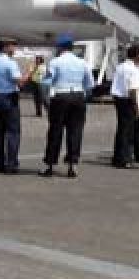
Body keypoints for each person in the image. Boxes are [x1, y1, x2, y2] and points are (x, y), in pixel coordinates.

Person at [38, 36, 93, 178]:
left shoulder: (55, 62)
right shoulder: (82, 62)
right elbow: (89, 85)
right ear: (71, 47)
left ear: (60, 48)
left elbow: (46, 84)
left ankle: (49, 165)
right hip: (78, 96)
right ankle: (72, 166)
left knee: (55, 132)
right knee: (75, 132)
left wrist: (46, 102)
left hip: (60, 97)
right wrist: (83, 99)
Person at [0, 37, 32, 173]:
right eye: (12, 46)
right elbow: (20, 83)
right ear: (5, 47)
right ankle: (11, 164)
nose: (14, 48)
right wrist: (29, 72)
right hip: (9, 97)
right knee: (13, 132)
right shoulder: (10, 63)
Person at [110, 44, 139, 169]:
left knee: (121, 129)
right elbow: (133, 89)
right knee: (128, 131)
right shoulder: (132, 69)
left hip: (118, 98)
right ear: (137, 55)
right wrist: (138, 106)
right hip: (128, 100)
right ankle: (125, 159)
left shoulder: (120, 66)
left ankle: (117, 157)